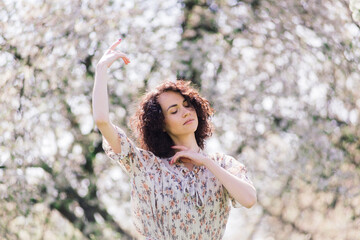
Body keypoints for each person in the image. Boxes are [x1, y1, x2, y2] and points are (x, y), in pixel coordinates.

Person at [92, 39, 257, 240]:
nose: (186, 112)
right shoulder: (145, 165)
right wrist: (101, 70)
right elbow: (102, 121)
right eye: (174, 110)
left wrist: (206, 162)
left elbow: (249, 199)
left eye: (187, 105)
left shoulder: (222, 164)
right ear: (161, 123)